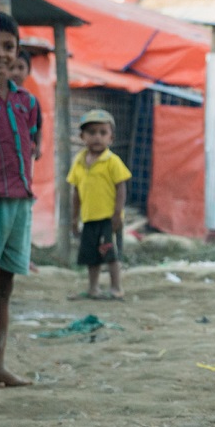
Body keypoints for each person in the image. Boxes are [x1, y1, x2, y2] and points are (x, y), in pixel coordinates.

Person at [0, 12, 41, 388]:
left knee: (4, 285)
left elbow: (33, 144)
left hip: (20, 201)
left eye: (9, 46)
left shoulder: (27, 101)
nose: (2, 53)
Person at [68, 109, 132, 300]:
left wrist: (117, 214)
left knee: (111, 255)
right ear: (82, 136)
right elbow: (76, 192)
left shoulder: (112, 161)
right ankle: (93, 288)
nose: (97, 137)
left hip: (108, 219)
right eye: (92, 132)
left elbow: (121, 188)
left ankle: (116, 287)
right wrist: (74, 218)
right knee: (91, 256)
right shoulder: (78, 162)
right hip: (89, 218)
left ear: (111, 138)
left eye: (103, 133)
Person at [8, 50, 43, 162]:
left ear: (28, 71)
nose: (16, 73)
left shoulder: (31, 101)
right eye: (11, 67)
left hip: (23, 158)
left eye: (21, 67)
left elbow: (38, 127)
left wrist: (38, 146)